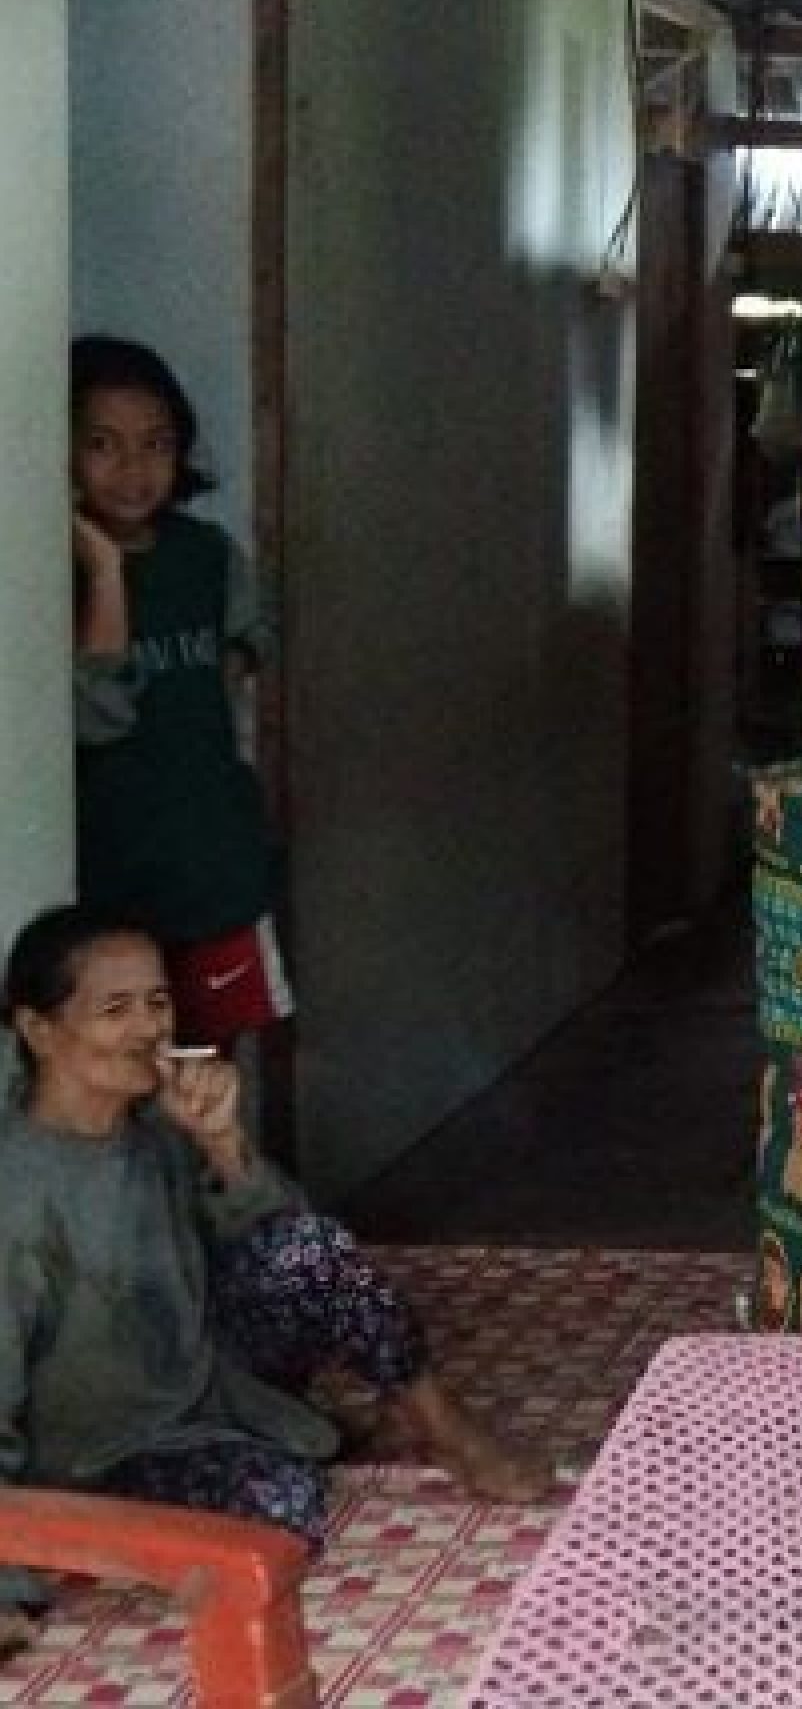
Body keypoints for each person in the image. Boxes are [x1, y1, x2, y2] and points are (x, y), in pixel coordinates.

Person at [0, 904, 546, 1642]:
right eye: (114, 1009)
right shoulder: (17, 1193)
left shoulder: (158, 1125)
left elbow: (280, 1234)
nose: (148, 1029)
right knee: (285, 1509)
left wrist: (223, 1143)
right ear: (38, 1030)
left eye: (157, 1002)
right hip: (103, 1455)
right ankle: (274, 1449)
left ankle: (440, 1427)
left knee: (309, 1249)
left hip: (206, 1381)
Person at [66, 338, 296, 1151]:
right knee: (114, 1089)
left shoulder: (205, 554)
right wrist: (103, 573)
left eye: (156, 444)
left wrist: (224, 675)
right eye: (102, 445)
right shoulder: (48, 566)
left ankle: (215, 1252)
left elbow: (256, 631)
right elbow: (98, 719)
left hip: (213, 868)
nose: (133, 470)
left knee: (206, 1078)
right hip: (113, 880)